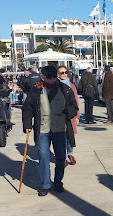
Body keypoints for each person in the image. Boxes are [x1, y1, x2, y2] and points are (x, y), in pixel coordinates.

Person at [22, 66, 79, 196]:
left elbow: (73, 107)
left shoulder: (65, 89)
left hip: (59, 128)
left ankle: (58, 182)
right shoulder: (36, 89)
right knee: (43, 156)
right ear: (43, 77)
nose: (51, 80)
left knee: (60, 157)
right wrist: (27, 123)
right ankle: (45, 184)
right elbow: (27, 108)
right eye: (48, 78)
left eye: (53, 77)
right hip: (42, 128)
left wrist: (66, 115)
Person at [57, 66, 79, 166]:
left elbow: (76, 102)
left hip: (70, 115)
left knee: (70, 136)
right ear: (58, 74)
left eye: (66, 72)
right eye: (62, 73)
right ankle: (64, 157)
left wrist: (77, 116)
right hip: (59, 116)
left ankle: (70, 154)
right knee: (62, 137)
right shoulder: (55, 86)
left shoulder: (71, 86)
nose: (64, 74)